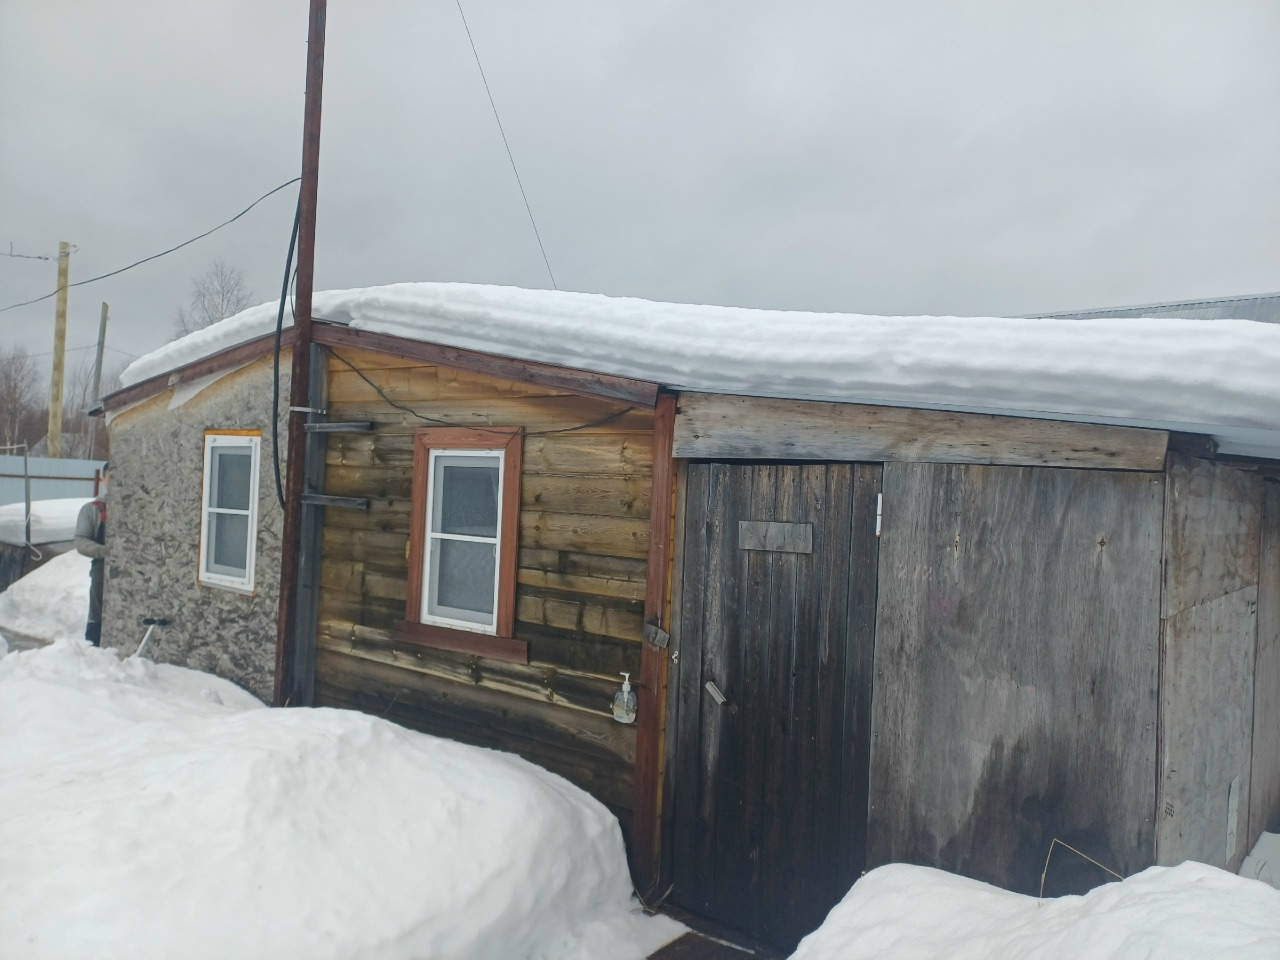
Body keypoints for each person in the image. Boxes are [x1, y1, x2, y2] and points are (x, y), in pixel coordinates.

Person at [74, 462, 108, 646]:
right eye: (112, 476)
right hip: (101, 569)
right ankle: (93, 647)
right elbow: (81, 541)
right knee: (97, 611)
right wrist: (105, 552)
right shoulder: (92, 509)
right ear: (103, 479)